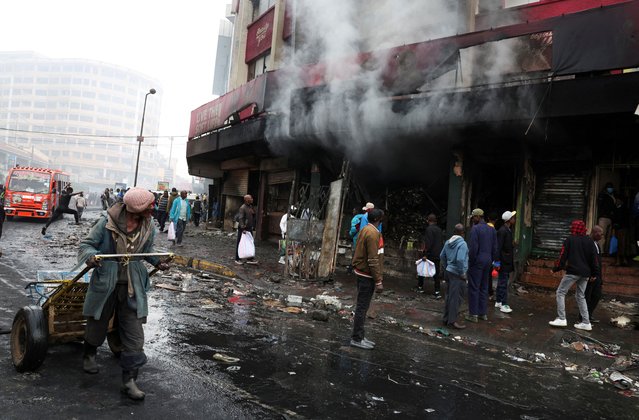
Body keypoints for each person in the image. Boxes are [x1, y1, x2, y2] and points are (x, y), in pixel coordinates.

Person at [79, 187, 170, 400]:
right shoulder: (106, 222)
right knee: (98, 321)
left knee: (134, 332)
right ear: (137, 207)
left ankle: (129, 381)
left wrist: (159, 261)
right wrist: (92, 257)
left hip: (132, 285)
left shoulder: (149, 226)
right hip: (106, 281)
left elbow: (147, 252)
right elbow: (87, 245)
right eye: (149, 205)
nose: (152, 209)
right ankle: (89, 354)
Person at [549, 220, 600, 331]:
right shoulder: (589, 241)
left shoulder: (570, 239)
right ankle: (586, 322)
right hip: (586, 274)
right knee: (580, 296)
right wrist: (595, 273)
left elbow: (562, 256)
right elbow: (594, 259)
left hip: (573, 272)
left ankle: (562, 318)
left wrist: (556, 269)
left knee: (560, 292)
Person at [350, 208, 384, 349]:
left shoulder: (366, 229)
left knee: (362, 307)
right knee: (362, 307)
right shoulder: (372, 233)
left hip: (362, 272)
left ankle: (360, 336)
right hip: (367, 275)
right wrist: (378, 281)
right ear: (377, 219)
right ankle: (357, 338)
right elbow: (373, 259)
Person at [466, 208, 498, 323]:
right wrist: (492, 260)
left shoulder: (475, 229)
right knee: (484, 287)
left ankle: (473, 314)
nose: (473, 220)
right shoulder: (492, 230)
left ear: (478, 217)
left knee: (474, 287)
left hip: (477, 261)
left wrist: (471, 261)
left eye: (473, 217)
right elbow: (495, 248)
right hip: (488, 261)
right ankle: (482, 313)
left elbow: (474, 248)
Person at [441, 223, 469, 329]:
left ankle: (446, 318)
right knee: (456, 298)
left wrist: (446, 266)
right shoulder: (462, 244)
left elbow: (442, 255)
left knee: (449, 296)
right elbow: (460, 259)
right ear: (462, 233)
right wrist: (462, 273)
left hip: (449, 272)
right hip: (457, 274)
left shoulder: (448, 242)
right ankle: (452, 321)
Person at [416, 213, 443, 299]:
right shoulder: (439, 230)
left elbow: (428, 243)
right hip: (438, 254)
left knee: (422, 269)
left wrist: (425, 254)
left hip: (430, 254)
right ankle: (437, 291)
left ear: (428, 220)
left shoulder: (429, 229)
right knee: (436, 273)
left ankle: (420, 287)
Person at [495, 210, 516, 313]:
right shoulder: (503, 231)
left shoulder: (507, 230)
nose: (514, 219)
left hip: (505, 260)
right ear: (509, 220)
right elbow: (498, 247)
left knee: (502, 281)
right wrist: (497, 261)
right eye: (513, 218)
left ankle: (498, 300)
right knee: (503, 282)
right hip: (504, 261)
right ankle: (504, 304)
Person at [584, 226, 604, 323]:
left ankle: (589, 314)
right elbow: (588, 260)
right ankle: (584, 316)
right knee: (587, 296)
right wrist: (591, 274)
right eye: (601, 234)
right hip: (591, 275)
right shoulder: (588, 243)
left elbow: (598, 262)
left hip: (597, 275)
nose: (602, 236)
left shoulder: (597, 244)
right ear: (595, 233)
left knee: (596, 295)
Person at [235, 195, 258, 265]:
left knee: (250, 242)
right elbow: (241, 218)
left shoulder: (250, 207)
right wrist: (243, 228)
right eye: (250, 198)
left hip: (249, 227)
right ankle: (237, 258)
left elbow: (252, 216)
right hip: (243, 228)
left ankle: (250, 258)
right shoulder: (242, 208)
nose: (252, 199)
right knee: (240, 243)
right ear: (246, 200)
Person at [597, 182, 616, 254]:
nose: (610, 188)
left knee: (609, 236)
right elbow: (600, 206)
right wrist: (605, 213)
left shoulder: (613, 196)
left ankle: (607, 251)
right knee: (602, 235)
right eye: (609, 187)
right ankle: (601, 251)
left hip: (610, 218)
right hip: (603, 218)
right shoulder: (602, 195)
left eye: (611, 187)